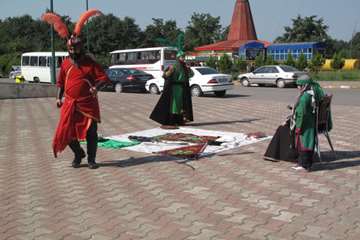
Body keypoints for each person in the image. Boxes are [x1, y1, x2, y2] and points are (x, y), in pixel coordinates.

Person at [42, 9, 109, 169]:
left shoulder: (90, 61)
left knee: (91, 133)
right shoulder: (65, 63)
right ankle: (79, 153)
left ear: (81, 48)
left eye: (76, 49)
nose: (73, 51)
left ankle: (91, 160)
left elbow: (104, 79)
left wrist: (96, 87)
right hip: (70, 104)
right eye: (71, 49)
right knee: (67, 133)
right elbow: (61, 83)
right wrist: (58, 97)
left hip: (88, 104)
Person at [149, 51, 193, 129]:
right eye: (182, 57)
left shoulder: (185, 67)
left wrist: (189, 69)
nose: (183, 58)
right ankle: (171, 121)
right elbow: (165, 75)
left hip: (182, 88)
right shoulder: (173, 66)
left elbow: (191, 75)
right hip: (174, 88)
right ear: (178, 58)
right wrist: (169, 72)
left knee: (180, 104)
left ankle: (179, 120)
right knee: (174, 104)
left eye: (184, 57)